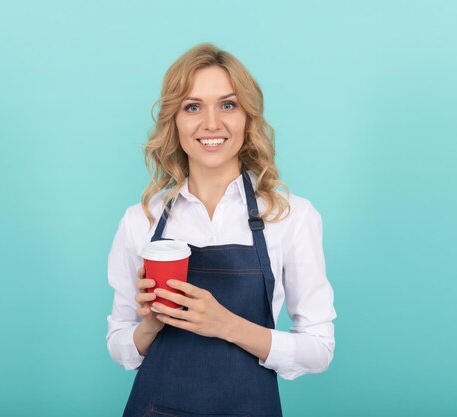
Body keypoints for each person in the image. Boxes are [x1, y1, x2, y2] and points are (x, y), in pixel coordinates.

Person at [106, 43, 337, 417]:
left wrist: (226, 325)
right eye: (192, 106)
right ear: (174, 121)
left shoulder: (291, 217)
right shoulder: (141, 221)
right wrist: (149, 325)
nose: (211, 123)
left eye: (227, 105)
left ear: (248, 117)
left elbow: (319, 349)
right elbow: (119, 346)